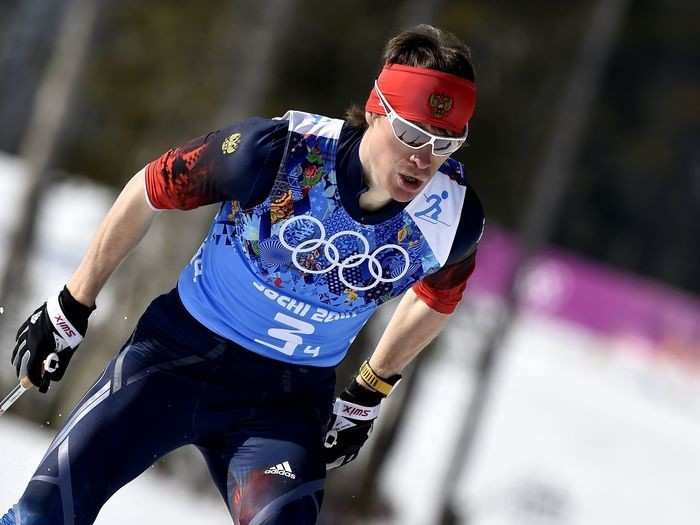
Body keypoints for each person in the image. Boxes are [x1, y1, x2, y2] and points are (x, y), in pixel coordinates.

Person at [2, 24, 484, 525]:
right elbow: (148, 190)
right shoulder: (276, 153)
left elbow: (437, 297)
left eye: (446, 142)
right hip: (174, 361)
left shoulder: (453, 218)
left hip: (283, 405)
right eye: (411, 133)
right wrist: (71, 305)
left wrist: (368, 390)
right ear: (375, 110)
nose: (423, 158)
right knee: (42, 517)